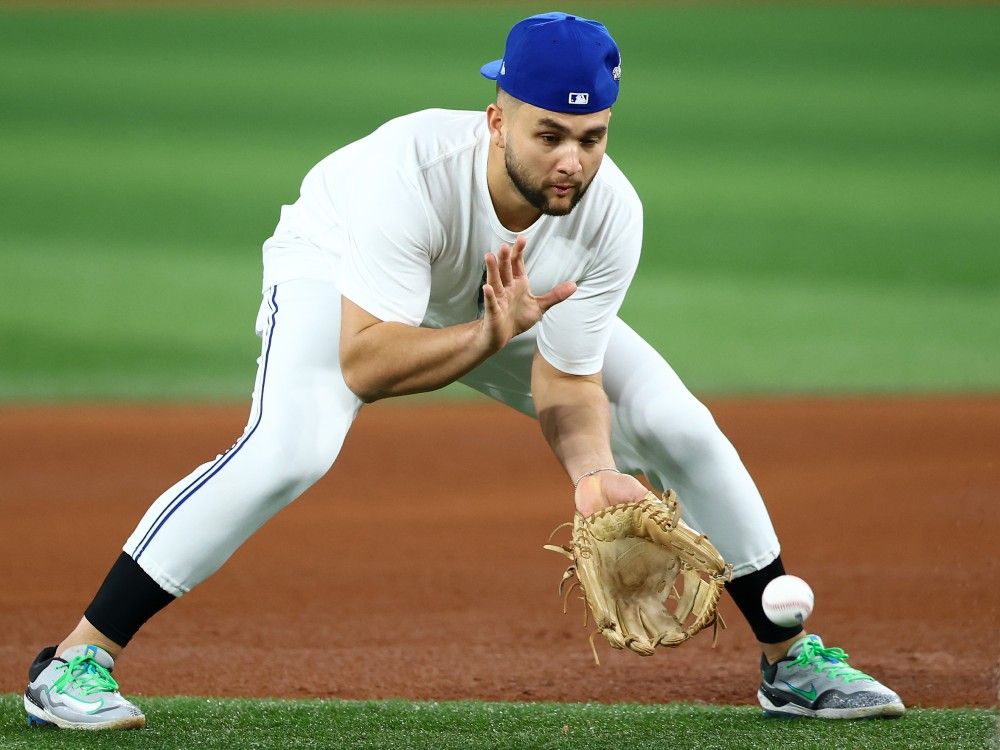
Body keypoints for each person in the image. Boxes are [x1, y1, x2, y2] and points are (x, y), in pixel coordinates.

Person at [23, 11, 904, 730]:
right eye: (549, 133)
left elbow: (568, 378)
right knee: (291, 448)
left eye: (592, 137)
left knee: (677, 424)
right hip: (340, 275)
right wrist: (488, 336)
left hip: (504, 306)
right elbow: (365, 362)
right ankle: (74, 663)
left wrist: (596, 476)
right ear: (497, 117)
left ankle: (790, 663)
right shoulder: (407, 174)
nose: (573, 160)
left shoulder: (608, 212)